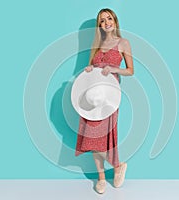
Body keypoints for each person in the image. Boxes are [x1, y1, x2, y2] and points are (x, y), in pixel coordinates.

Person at [75, 8, 134, 194]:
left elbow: (131, 70)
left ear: (115, 21)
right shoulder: (96, 45)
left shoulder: (123, 43)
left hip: (109, 95)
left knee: (105, 134)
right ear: (99, 26)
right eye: (102, 20)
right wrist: (89, 69)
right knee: (92, 136)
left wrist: (114, 69)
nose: (106, 22)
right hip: (92, 96)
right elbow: (92, 67)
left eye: (109, 18)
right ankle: (102, 177)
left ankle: (117, 165)